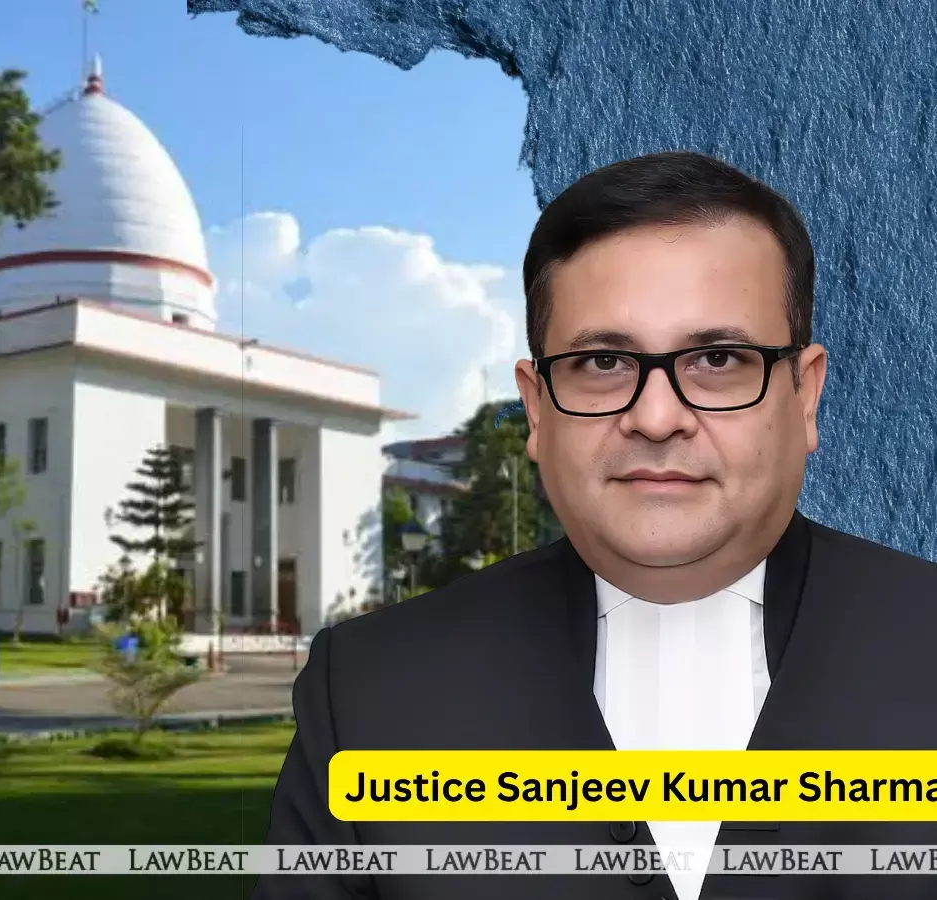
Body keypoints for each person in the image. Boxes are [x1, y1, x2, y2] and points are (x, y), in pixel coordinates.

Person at [254, 151, 937, 900]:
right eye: (604, 362)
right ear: (537, 407)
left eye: (717, 357)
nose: (655, 417)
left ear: (805, 397)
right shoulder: (368, 689)